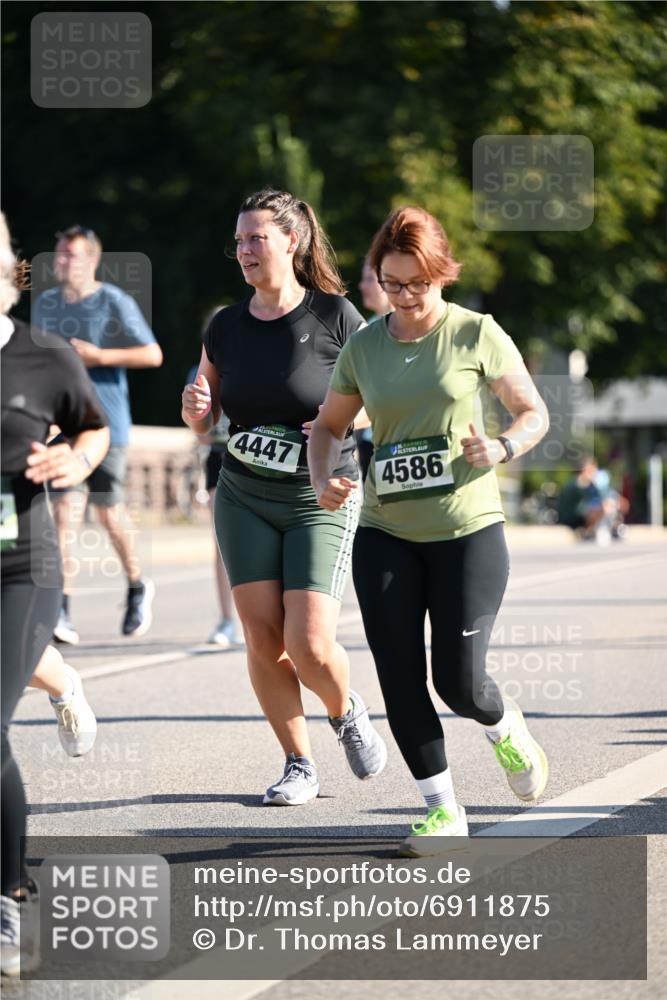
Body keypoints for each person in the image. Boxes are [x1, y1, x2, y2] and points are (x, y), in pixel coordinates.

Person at [309, 206, 550, 856]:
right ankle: (443, 811)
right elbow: (329, 428)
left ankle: (503, 725)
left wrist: (500, 448)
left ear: (440, 272)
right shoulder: (364, 346)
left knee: (458, 682)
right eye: (391, 283)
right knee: (397, 674)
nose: (405, 296)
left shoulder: (476, 334)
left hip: (467, 530)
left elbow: (533, 413)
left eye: (417, 282)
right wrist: (322, 478)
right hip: (386, 532)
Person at [182, 188, 386, 805]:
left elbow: (380, 398)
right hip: (243, 494)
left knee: (310, 642)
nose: (243, 250)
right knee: (263, 638)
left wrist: (342, 420)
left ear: (290, 242)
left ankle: (346, 709)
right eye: (239, 240)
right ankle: (298, 764)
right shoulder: (226, 324)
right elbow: (203, 410)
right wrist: (195, 409)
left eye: (256, 238)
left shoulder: (337, 317)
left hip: (317, 494)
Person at [1, 213, 109, 975]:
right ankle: (62, 678)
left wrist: (73, 461)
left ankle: (8, 894)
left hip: (21, 566)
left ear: (11, 271)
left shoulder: (43, 354)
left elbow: (92, 428)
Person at [32, 225, 163, 642]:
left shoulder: (113, 300)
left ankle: (138, 585)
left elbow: (152, 353)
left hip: (108, 425)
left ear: (90, 260)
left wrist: (98, 356)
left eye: (70, 255)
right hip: (63, 425)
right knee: (63, 517)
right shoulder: (47, 304)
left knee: (108, 512)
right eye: (59, 254)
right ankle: (62, 611)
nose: (62, 262)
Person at [185, 308, 243, 647]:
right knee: (221, 544)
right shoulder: (199, 373)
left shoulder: (254, 362)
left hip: (257, 454)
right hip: (220, 458)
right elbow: (200, 433)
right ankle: (226, 620)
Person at [353, 258, 394, 482]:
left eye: (369, 279)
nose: (362, 286)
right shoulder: (370, 325)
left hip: (397, 440)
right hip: (370, 437)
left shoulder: (405, 330)